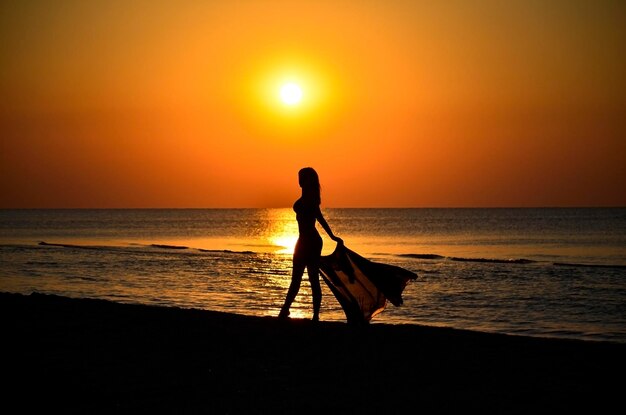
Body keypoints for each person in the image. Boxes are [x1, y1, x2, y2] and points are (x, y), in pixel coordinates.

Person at [278, 167, 342, 321]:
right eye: (298, 177)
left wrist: (332, 236)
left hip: (312, 242)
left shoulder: (311, 199)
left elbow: (320, 218)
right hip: (302, 240)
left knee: (313, 278)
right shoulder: (307, 196)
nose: (298, 180)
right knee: (296, 278)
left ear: (307, 180)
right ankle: (285, 310)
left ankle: (315, 315)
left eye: (301, 177)